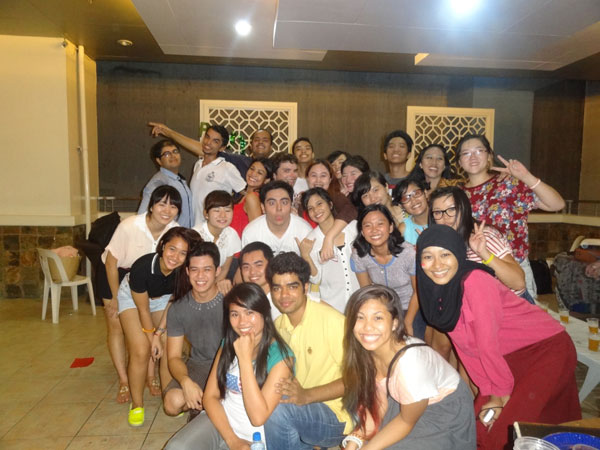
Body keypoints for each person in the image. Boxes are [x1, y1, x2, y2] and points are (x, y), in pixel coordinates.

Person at [416, 225, 581, 450]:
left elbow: (487, 344)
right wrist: (488, 390)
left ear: (458, 255)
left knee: (507, 431)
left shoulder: (475, 281)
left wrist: (499, 395)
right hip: (506, 357)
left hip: (546, 350)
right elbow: (467, 350)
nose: (437, 265)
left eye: (445, 254)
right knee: (478, 429)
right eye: (428, 256)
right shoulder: (437, 292)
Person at [341, 285, 476, 450]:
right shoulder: (367, 350)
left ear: (394, 323)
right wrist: (356, 439)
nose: (367, 327)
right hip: (410, 400)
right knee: (372, 438)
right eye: (360, 317)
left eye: (378, 318)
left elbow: (406, 421)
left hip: (442, 410)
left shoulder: (410, 365)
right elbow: (377, 403)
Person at [165, 283, 295, 449]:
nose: (242, 322)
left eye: (249, 312)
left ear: (264, 313)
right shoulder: (228, 343)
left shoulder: (281, 358)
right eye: (235, 314)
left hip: (257, 438)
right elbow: (210, 397)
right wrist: (232, 439)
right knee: (176, 447)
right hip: (221, 424)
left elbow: (258, 418)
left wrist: (244, 359)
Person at [457, 133, 565, 299]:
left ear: (489, 156)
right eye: (466, 153)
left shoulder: (510, 184)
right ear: (459, 162)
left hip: (515, 268)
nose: (473, 157)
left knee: (524, 315)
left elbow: (557, 204)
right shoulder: (457, 195)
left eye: (479, 150)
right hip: (476, 271)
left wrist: (526, 177)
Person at [101, 185, 181, 404]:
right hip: (117, 275)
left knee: (152, 332)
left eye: (173, 206)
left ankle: (150, 376)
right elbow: (110, 263)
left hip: (151, 281)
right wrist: (115, 298)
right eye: (162, 204)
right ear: (151, 205)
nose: (167, 210)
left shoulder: (174, 230)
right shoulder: (129, 226)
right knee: (117, 327)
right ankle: (124, 380)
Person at [264, 252, 351, 449]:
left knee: (278, 410)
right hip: (300, 406)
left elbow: (356, 381)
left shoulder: (332, 321)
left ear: (305, 287)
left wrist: (307, 395)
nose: (284, 295)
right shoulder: (278, 326)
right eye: (277, 288)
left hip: (337, 414)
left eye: (292, 286)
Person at [118, 227, 199, 427]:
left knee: (170, 345)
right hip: (133, 299)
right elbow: (143, 310)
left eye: (183, 253)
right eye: (172, 249)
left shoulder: (184, 272)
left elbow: (172, 303)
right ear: (162, 246)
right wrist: (151, 337)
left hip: (163, 300)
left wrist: (160, 333)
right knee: (141, 350)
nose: (175, 257)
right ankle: (137, 404)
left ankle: (168, 395)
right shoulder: (142, 267)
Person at [162, 242, 225, 420]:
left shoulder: (231, 300)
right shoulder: (178, 309)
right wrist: (186, 381)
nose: (200, 276)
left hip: (229, 365)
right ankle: (202, 404)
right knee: (172, 403)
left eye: (207, 269)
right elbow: (174, 357)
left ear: (217, 271)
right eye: (194, 270)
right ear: (187, 272)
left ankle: (204, 406)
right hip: (199, 365)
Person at [428, 186, 526, 298]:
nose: (445, 217)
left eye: (451, 209)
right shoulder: (446, 241)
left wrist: (483, 253)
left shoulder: (483, 237)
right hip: (481, 303)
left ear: (464, 209)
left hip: (510, 303)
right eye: (437, 212)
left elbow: (519, 283)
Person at [351, 205, 421, 338]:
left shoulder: (408, 254)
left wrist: (408, 322)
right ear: (362, 232)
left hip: (411, 308)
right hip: (382, 309)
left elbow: (418, 291)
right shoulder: (359, 255)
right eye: (368, 226)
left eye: (380, 224)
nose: (374, 230)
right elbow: (367, 291)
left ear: (390, 227)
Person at [297, 188, 360, 313]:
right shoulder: (311, 240)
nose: (316, 210)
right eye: (310, 208)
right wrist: (306, 255)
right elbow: (316, 279)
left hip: (360, 299)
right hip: (333, 305)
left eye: (319, 203)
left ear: (330, 204)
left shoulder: (353, 228)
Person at [148, 122, 274, 177]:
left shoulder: (277, 167)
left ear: (271, 147)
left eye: (265, 140)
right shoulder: (239, 161)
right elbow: (205, 149)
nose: (260, 142)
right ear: (250, 146)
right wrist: (169, 132)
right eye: (257, 139)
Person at [241, 180, 312, 255]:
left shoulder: (305, 231)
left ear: (291, 205)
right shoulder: (251, 233)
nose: (279, 208)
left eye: (284, 202)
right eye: (272, 203)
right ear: (263, 207)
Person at [138, 139, 194, 228]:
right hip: (171, 234)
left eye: (175, 151)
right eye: (167, 154)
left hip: (185, 233)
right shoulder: (159, 182)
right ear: (159, 161)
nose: (173, 156)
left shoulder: (180, 180)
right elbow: (142, 216)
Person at [193, 190, 241, 292]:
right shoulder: (195, 235)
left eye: (227, 210)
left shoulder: (231, 234)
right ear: (206, 214)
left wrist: (212, 291)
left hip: (214, 285)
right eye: (216, 210)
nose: (223, 215)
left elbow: (224, 269)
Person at [231, 158, 272, 237]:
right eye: (252, 169)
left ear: (266, 180)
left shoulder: (252, 197)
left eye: (260, 173)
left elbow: (256, 232)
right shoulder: (243, 195)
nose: (253, 174)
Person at [239, 242, 277, 318]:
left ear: (271, 265)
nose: (252, 272)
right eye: (246, 267)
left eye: (258, 265)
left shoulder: (281, 299)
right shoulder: (241, 300)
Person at [393, 179, 429, 245]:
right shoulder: (403, 229)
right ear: (401, 206)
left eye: (416, 193)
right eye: (405, 198)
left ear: (426, 193)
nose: (413, 201)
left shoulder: (442, 218)